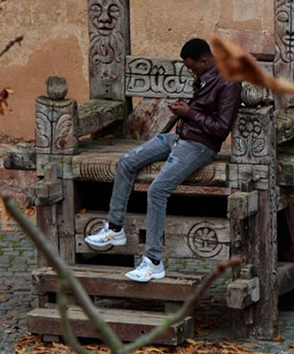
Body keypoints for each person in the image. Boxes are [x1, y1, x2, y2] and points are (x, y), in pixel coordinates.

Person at [82, 37, 239, 283]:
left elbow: (221, 129)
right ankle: (114, 228)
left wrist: (190, 113)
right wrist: (186, 109)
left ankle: (153, 261)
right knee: (127, 162)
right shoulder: (205, 77)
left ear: (205, 60)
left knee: (157, 190)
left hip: (200, 147)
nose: (191, 71)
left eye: (193, 67)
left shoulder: (228, 83)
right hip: (178, 137)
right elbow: (201, 112)